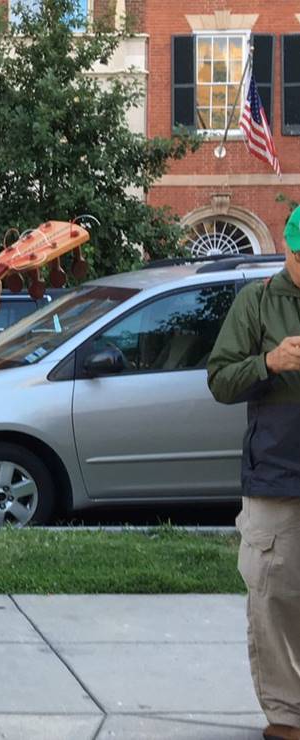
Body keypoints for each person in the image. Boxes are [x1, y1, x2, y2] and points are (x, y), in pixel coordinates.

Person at [207, 206, 300, 740]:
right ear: (289, 249)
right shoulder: (257, 301)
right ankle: (287, 716)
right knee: (273, 600)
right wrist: (270, 363)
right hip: (277, 478)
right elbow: (220, 380)